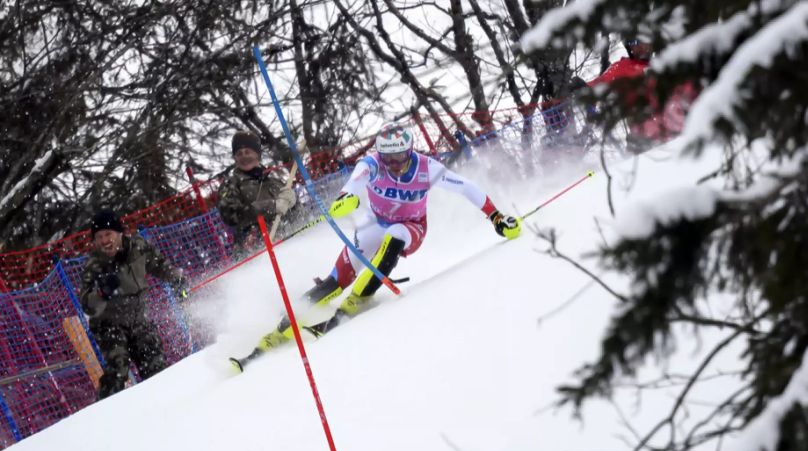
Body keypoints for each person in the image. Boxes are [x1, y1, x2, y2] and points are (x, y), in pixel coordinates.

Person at [231, 123, 522, 370]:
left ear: (410, 151)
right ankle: (279, 329)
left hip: (412, 227)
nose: (395, 165)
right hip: (375, 222)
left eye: (400, 158)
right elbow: (354, 183)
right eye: (389, 159)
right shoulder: (371, 164)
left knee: (394, 236)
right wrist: (346, 199)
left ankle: (350, 307)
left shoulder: (426, 168)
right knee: (338, 277)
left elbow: (466, 187)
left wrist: (495, 216)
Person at [79, 209, 188, 399]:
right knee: (118, 368)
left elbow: (159, 265)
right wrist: (102, 293)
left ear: (119, 233)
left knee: (155, 364)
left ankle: (166, 403)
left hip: (138, 318)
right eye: (99, 237)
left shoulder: (138, 247)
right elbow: (88, 306)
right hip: (109, 324)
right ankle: (106, 412)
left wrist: (176, 280)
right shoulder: (95, 265)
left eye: (108, 234)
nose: (104, 241)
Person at [217, 130, 298, 255]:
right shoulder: (231, 185)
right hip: (255, 253)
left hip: (291, 245)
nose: (244, 156)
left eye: (248, 152)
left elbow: (300, 216)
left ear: (258, 155)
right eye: (239, 153)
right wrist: (271, 206)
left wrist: (294, 202)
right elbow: (232, 215)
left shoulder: (275, 182)